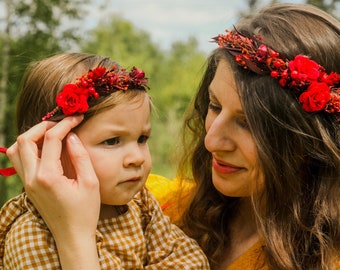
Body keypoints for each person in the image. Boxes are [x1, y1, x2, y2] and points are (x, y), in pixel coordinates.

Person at [2, 3, 340, 270]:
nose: (211, 142)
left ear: (309, 140)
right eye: (214, 105)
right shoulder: (156, 202)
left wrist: (73, 238)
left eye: (248, 124)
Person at [0, 53, 209, 269]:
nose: (137, 158)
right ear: (48, 148)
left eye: (141, 138)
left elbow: (191, 260)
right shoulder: (33, 238)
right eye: (111, 141)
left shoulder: (139, 203)